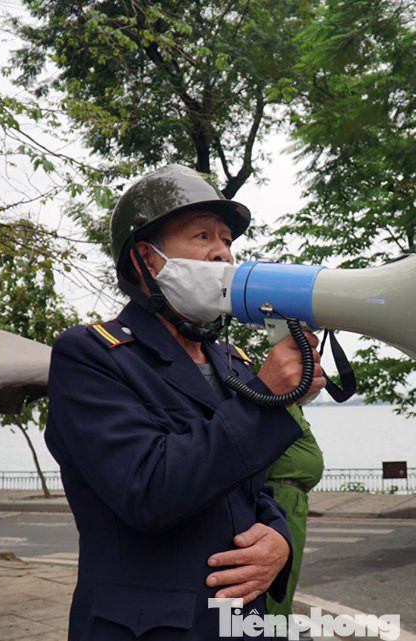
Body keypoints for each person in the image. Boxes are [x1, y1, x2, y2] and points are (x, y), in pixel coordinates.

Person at [45, 164, 326, 640]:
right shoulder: (92, 356)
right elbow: (148, 489)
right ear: (146, 259)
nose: (223, 252)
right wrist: (264, 401)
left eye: (226, 240)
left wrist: (278, 539)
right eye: (202, 236)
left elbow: (253, 486)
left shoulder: (230, 362)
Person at [265, 406, 324, 623]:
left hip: (292, 493)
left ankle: (280, 622)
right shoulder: (278, 403)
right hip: (283, 492)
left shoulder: (292, 406)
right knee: (282, 567)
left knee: (290, 565)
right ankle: (276, 628)